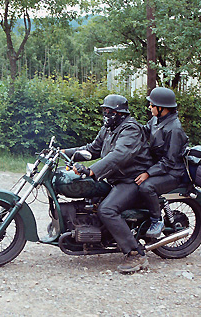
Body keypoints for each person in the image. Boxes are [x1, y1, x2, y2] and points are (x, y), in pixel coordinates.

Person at [63, 94, 153, 273]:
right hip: (115, 178)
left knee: (107, 209)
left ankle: (136, 254)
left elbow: (119, 155)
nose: (106, 114)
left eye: (109, 111)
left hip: (131, 180)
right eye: (104, 110)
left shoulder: (130, 129)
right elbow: (92, 149)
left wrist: (92, 170)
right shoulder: (110, 128)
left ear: (120, 113)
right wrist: (64, 151)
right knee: (90, 200)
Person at [135, 87, 188, 238]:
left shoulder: (174, 129)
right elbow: (143, 132)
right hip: (158, 167)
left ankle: (156, 220)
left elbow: (169, 161)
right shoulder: (156, 120)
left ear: (162, 108)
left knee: (146, 187)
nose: (149, 107)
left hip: (172, 172)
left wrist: (148, 173)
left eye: (152, 105)